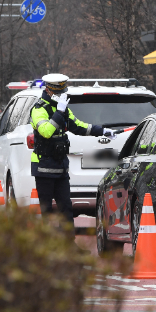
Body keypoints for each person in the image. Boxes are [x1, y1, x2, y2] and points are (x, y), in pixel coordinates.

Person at [30, 74, 117, 229]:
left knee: (66, 209)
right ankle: (47, 247)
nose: (63, 94)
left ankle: (69, 245)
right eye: (59, 92)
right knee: (47, 211)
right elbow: (46, 132)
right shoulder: (38, 109)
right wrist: (59, 112)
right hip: (44, 168)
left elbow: (79, 126)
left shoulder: (63, 109)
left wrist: (103, 131)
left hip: (61, 167)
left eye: (63, 91)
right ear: (49, 90)